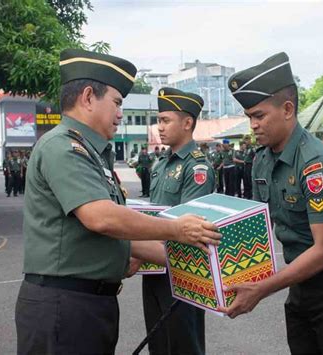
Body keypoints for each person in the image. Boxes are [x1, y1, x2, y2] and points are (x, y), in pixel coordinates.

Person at [14, 48, 221, 355]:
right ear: (87, 97)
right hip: (64, 306)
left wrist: (214, 270)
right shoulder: (64, 147)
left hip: (88, 306)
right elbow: (103, 218)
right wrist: (177, 230)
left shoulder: (90, 154)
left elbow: (114, 237)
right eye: (117, 102)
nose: (121, 114)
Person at [220, 52, 323, 354]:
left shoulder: (316, 163)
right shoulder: (263, 161)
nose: (252, 125)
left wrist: (262, 289)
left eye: (259, 115)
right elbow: (258, 225)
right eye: (250, 117)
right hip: (302, 284)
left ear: (288, 109)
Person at [142, 87, 215, 355]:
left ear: (187, 123)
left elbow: (188, 227)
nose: (159, 127)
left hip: (183, 273)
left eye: (165, 120)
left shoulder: (196, 168)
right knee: (159, 345)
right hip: (154, 270)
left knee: (184, 345)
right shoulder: (161, 164)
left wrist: (137, 253)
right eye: (158, 120)